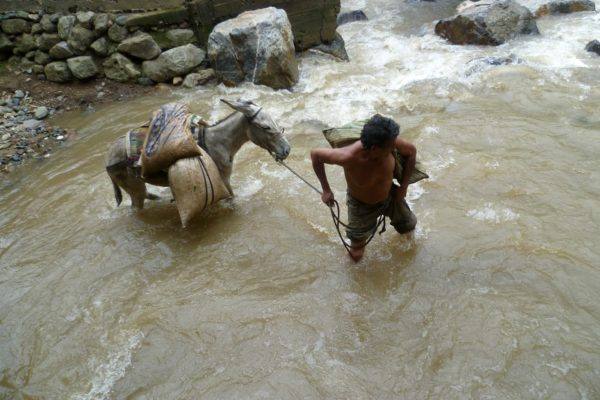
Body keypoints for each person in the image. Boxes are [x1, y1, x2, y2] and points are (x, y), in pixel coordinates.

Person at [311, 115, 417, 262]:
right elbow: (315, 155)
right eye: (390, 147)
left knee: (409, 228)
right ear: (374, 148)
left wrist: (403, 187)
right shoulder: (347, 157)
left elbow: (411, 152)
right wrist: (326, 190)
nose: (395, 148)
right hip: (361, 205)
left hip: (391, 196)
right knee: (356, 254)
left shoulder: (390, 142)